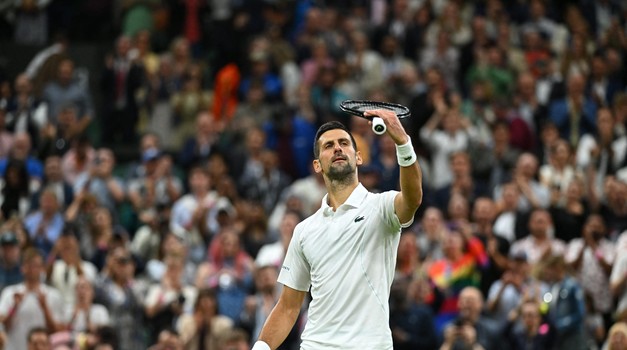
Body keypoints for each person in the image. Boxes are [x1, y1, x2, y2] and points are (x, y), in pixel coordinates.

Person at [252, 110, 423, 349]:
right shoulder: (304, 230)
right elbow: (288, 306)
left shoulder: (381, 207)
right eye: (329, 145)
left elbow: (413, 199)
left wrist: (403, 144)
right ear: (317, 165)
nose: (338, 149)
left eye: (344, 143)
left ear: (359, 157)